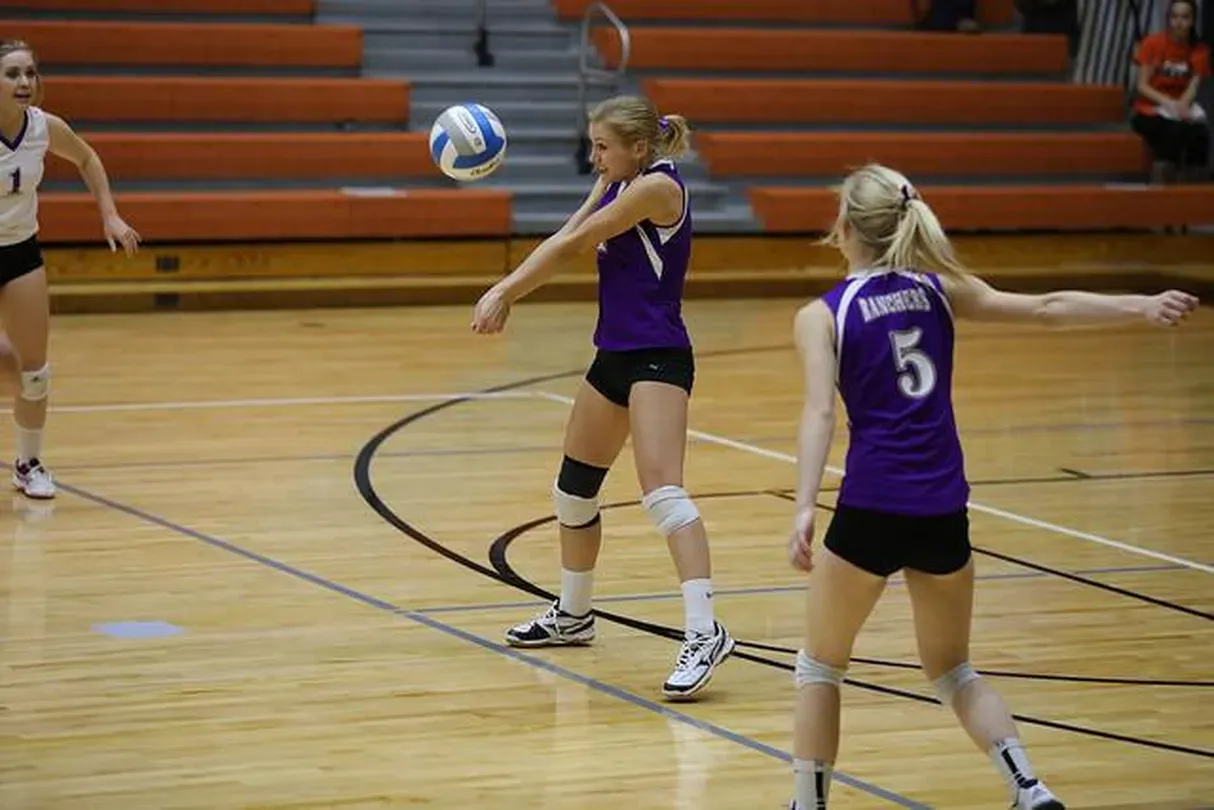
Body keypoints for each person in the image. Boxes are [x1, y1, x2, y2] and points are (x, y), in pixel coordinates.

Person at [784, 163, 1198, 810]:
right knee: (953, 670)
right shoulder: (940, 289)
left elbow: (818, 413)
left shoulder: (824, 314)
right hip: (944, 508)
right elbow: (1047, 309)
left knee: (819, 666)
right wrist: (1141, 305)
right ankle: (1029, 788)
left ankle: (807, 804)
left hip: (869, 507)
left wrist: (805, 505)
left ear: (842, 228)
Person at [470, 94, 734, 701]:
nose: (594, 156)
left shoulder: (655, 189)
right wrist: (511, 284)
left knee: (664, 494)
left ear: (639, 148)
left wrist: (506, 291)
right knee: (572, 491)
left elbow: (571, 246)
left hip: (658, 358)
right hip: (614, 356)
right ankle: (575, 614)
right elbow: (569, 234)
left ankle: (705, 630)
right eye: (593, 145)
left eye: (602, 146)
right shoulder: (621, 184)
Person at [0, 39, 140, 499]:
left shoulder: (43, 127)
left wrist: (109, 213)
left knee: (34, 371)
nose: (24, 82)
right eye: (12, 73)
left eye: (29, 73)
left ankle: (28, 463)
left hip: (20, 251)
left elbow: (86, 157)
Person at [1130, 0, 1211, 184]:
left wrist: (1181, 107)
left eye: (1184, 17)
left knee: (1200, 134)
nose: (1179, 22)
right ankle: (1162, 189)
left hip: (1178, 108)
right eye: (1174, 17)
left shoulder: (1199, 50)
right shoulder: (1153, 43)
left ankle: (1193, 192)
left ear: (1192, 21)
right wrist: (1167, 102)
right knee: (1172, 132)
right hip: (1149, 108)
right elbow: (1142, 86)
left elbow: (1193, 87)